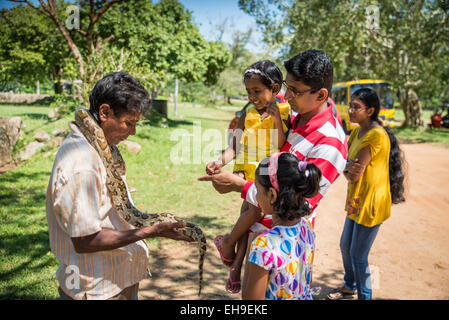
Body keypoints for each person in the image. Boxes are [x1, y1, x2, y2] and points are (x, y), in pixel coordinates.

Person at [46, 72, 192, 300]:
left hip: (115, 279)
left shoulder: (99, 149)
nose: (133, 132)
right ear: (104, 112)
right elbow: (86, 240)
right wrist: (150, 231)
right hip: (96, 288)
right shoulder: (82, 164)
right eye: (129, 123)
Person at [199, 49, 347, 230]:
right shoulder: (292, 116)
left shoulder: (330, 144)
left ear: (321, 95)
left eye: (294, 91)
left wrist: (242, 187)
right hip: (258, 231)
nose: (286, 96)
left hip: (279, 246)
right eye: (287, 87)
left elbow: (297, 205)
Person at [206, 60, 291, 293]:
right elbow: (234, 146)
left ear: (274, 89)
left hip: (268, 177)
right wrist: (220, 161)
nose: (252, 97)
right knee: (251, 216)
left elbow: (282, 144)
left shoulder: (285, 112)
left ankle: (229, 249)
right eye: (248, 92)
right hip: (247, 173)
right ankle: (233, 261)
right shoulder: (248, 114)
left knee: (251, 216)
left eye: (257, 91)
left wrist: (275, 119)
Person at [327, 88, 405, 300]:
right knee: (345, 246)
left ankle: (365, 296)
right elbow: (346, 165)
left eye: (355, 107)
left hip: (371, 202)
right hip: (356, 200)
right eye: (350, 105)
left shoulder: (376, 136)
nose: (350, 110)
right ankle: (349, 285)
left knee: (358, 255)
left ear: (369, 110)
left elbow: (352, 174)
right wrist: (347, 166)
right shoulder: (356, 132)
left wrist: (347, 166)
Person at [242, 152, 322, 300]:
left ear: (272, 195)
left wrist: (250, 249)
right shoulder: (306, 226)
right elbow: (306, 280)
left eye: (258, 190)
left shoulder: (263, 246)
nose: (257, 196)